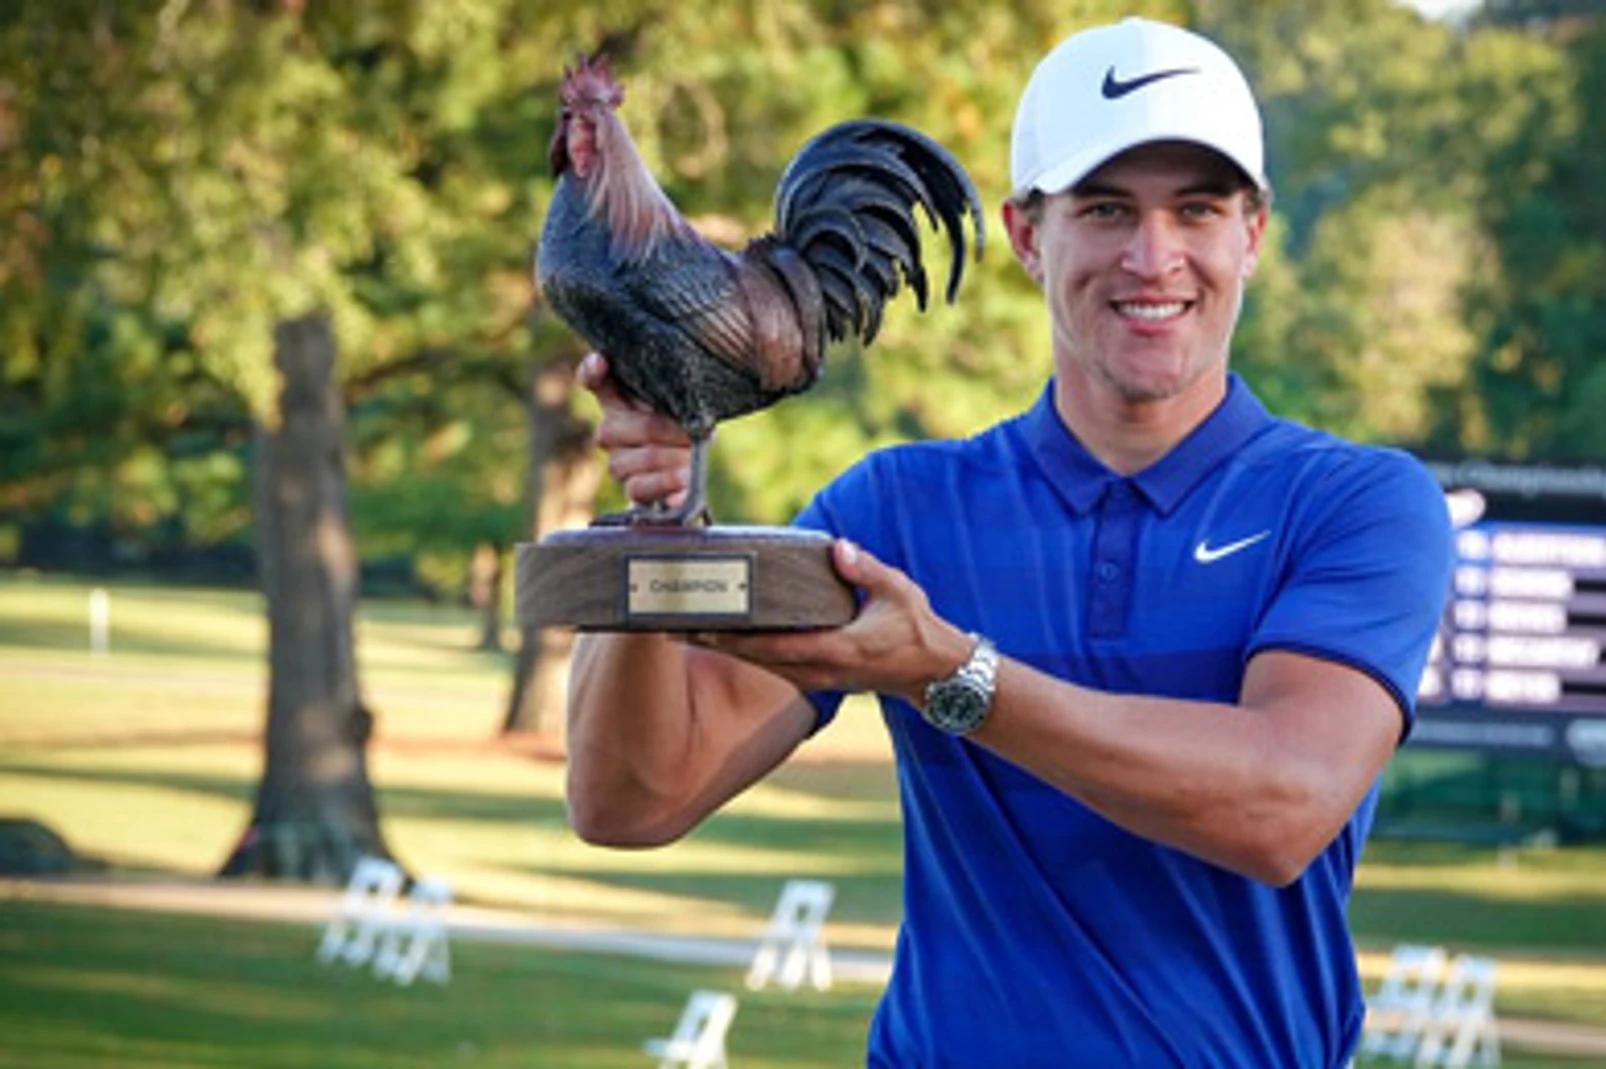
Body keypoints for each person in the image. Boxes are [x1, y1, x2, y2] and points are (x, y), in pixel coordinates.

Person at [566, 16, 1452, 1068]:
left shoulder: (1356, 503)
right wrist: (657, 528)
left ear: (1251, 234)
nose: (1152, 256)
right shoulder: (894, 510)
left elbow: (1279, 803)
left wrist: (954, 676)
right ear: (1028, 235)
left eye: (1196, 210)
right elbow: (632, 797)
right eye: (1107, 209)